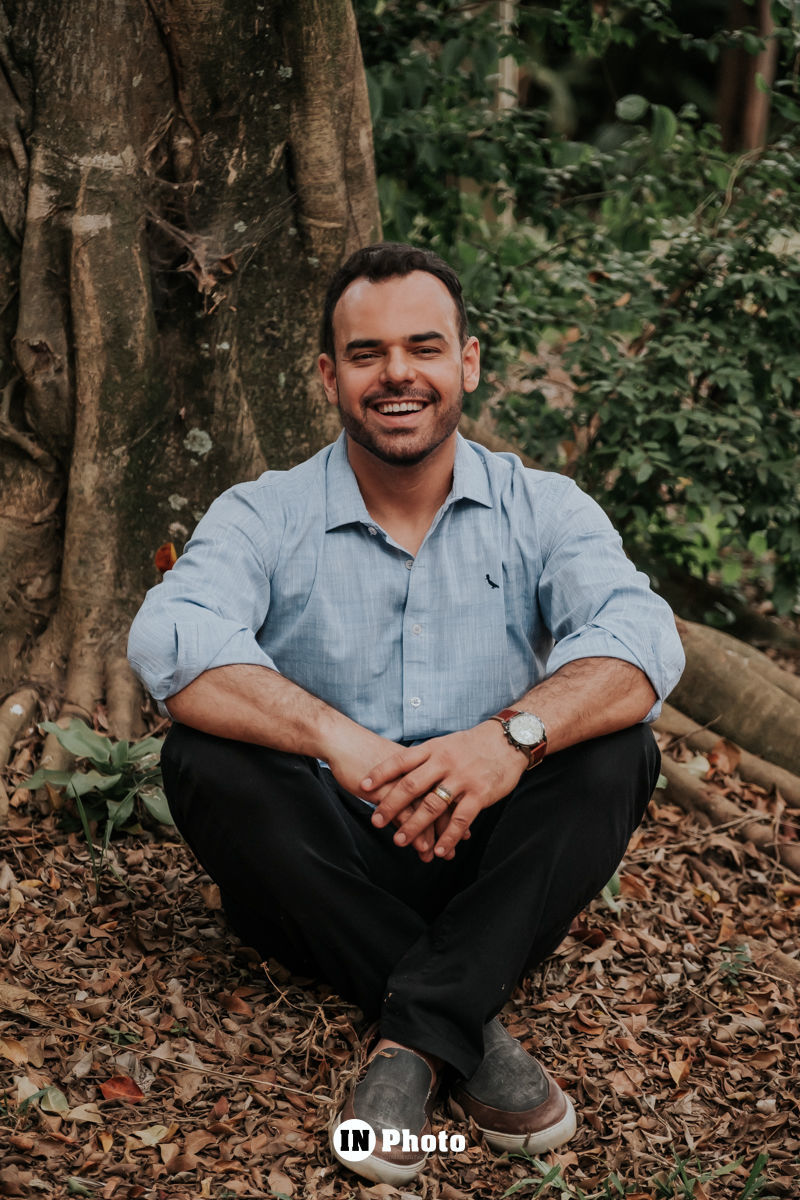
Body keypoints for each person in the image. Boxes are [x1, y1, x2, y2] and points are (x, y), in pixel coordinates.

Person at [127, 242, 684, 1186]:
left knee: (616, 748)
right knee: (204, 757)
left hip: (492, 855)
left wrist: (507, 741)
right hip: (326, 855)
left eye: (423, 348)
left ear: (467, 363)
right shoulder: (265, 512)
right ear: (328, 376)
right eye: (367, 353)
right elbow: (169, 637)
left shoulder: (542, 507)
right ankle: (464, 1011)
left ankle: (411, 1033)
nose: (397, 374)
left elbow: (643, 640)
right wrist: (335, 738)